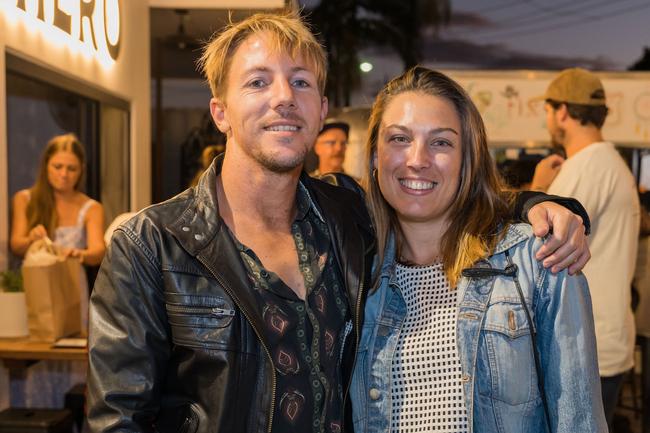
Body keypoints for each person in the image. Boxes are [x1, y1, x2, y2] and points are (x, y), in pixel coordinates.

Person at [87, 12, 590, 433]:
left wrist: (538, 206)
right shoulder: (151, 245)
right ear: (220, 111)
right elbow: (117, 419)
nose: (283, 97)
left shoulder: (344, 217)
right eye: (258, 81)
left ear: (321, 109)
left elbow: (444, 196)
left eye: (300, 82)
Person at [351, 67, 606, 432]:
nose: (417, 159)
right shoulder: (353, 274)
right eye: (399, 139)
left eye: (441, 142)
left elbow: (579, 421)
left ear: (467, 159)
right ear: (375, 156)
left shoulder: (536, 260)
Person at [530, 67, 641, 428]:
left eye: (547, 111)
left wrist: (536, 190)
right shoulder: (611, 162)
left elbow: (535, 249)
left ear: (562, 111)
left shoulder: (586, 167)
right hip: (604, 338)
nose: (547, 120)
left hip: (587, 345)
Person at [9, 132, 105, 407]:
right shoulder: (26, 199)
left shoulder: (90, 207)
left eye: (71, 168)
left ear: (81, 171)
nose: (64, 174)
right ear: (46, 166)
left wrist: (79, 253)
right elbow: (16, 244)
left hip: (71, 289)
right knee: (37, 356)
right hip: (36, 290)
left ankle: (69, 416)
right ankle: (37, 413)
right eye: (58, 167)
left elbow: (98, 251)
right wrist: (31, 238)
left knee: (72, 358)